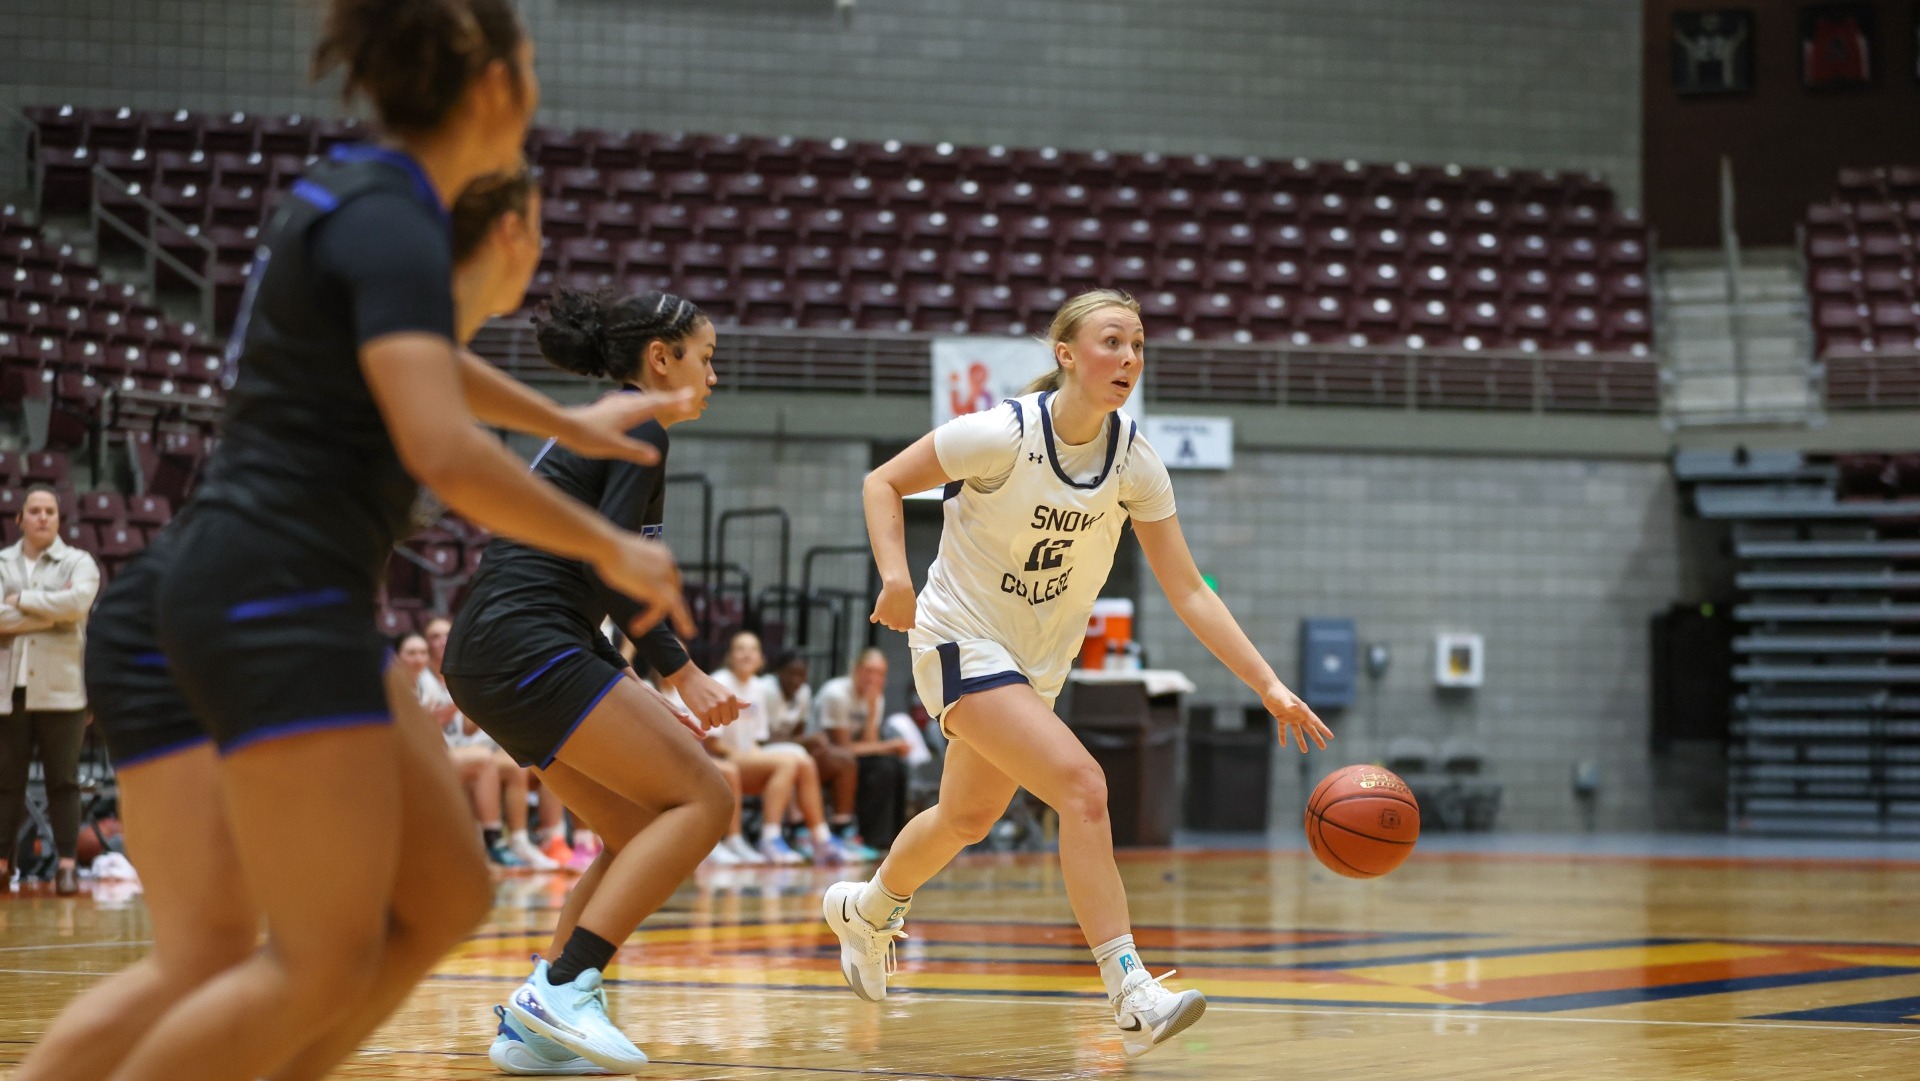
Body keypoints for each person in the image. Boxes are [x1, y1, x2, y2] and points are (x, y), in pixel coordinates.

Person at [14, 7, 694, 1076]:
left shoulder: (367, 194)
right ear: (493, 87)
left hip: (265, 583)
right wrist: (613, 549)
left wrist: (569, 423)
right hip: (271, 583)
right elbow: (442, 446)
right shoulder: (392, 216)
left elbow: (427, 370)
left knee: (442, 893)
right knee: (323, 958)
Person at [822, 289, 1334, 1060]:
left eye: (1137, 344)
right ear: (1066, 353)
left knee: (966, 817)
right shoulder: (1002, 432)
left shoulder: (1134, 460)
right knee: (1082, 785)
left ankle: (866, 908)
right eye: (1111, 341)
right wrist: (894, 576)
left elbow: (1189, 588)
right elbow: (882, 481)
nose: (1127, 358)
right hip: (960, 639)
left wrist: (1267, 682)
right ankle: (1130, 988)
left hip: (1035, 663)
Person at [441, 286, 745, 1073]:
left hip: (503, 648)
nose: (715, 375)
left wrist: (637, 685)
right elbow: (608, 560)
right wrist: (682, 673)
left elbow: (590, 568)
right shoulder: (634, 419)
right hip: (524, 639)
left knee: (643, 825)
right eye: (706, 358)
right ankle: (568, 984)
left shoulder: (614, 421)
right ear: (660, 358)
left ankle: (534, 1025)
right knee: (709, 799)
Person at [0, 485, 100, 894]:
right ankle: (3, 864)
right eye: (35, 511)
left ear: (59, 520)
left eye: (51, 512)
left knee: (64, 780)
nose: (43, 517)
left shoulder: (80, 561)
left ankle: (66, 866)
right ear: (19, 518)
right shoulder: (2, 562)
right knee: (6, 782)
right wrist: (50, 613)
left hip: (63, 690)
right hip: (10, 689)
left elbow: (77, 606)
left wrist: (21, 600)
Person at [419, 615, 561, 869]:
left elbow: (468, 728)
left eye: (445, 635)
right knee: (485, 761)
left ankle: (534, 839)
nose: (440, 641)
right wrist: (434, 719)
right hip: (435, 755)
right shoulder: (419, 680)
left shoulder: (460, 674)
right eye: (434, 636)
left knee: (528, 762)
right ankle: (492, 841)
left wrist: (480, 706)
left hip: (467, 748)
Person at [702, 630, 850, 867]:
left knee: (803, 761)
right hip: (719, 759)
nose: (747, 654)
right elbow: (711, 741)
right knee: (788, 761)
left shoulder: (757, 687)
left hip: (747, 759)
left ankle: (820, 838)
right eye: (740, 649)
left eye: (753, 650)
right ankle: (769, 838)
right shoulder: (719, 681)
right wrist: (743, 756)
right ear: (730, 656)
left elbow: (757, 739)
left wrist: (755, 757)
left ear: (761, 659)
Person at [813, 648, 914, 850]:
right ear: (856, 670)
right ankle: (866, 837)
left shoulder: (875, 698)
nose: (874, 678)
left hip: (849, 758)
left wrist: (872, 711)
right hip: (822, 757)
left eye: (880, 673)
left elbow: (871, 744)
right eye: (869, 671)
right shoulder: (836, 694)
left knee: (894, 765)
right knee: (882, 768)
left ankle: (890, 839)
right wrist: (888, 745)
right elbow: (842, 747)